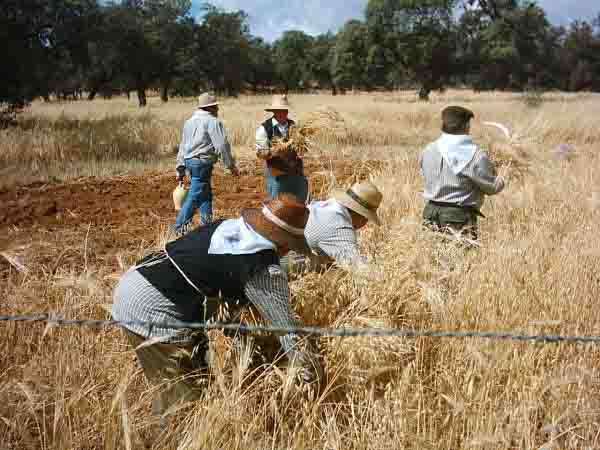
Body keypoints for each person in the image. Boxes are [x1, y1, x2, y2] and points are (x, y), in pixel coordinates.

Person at [112, 194, 322, 422]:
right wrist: (315, 383)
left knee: (190, 384)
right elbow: (289, 334)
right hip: (153, 306)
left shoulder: (228, 228)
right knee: (183, 402)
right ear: (286, 244)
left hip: (135, 279)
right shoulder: (262, 271)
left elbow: (215, 282)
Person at [419, 106, 506, 239]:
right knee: (460, 258)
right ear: (466, 126)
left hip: (430, 212)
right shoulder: (474, 154)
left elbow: (424, 175)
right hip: (458, 217)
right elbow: (492, 187)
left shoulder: (428, 149)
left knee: (431, 257)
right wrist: (504, 173)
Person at [282, 181, 383, 275]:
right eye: (367, 218)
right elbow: (359, 268)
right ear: (362, 217)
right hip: (279, 263)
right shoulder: (339, 226)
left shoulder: (328, 205)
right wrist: (386, 275)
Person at [174, 93, 239, 234]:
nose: (218, 109)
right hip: (202, 164)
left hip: (189, 162)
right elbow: (222, 146)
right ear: (210, 108)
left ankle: (207, 227)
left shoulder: (189, 122)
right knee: (194, 195)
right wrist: (230, 165)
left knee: (205, 195)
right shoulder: (213, 122)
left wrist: (180, 167)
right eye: (216, 106)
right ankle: (179, 228)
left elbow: (183, 146)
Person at [256, 95, 308, 202]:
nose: (283, 113)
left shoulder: (294, 126)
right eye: (279, 110)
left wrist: (301, 148)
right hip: (277, 175)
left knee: (300, 203)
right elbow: (261, 153)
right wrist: (273, 151)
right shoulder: (264, 129)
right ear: (274, 111)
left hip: (296, 173)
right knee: (277, 205)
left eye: (285, 110)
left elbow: (302, 149)